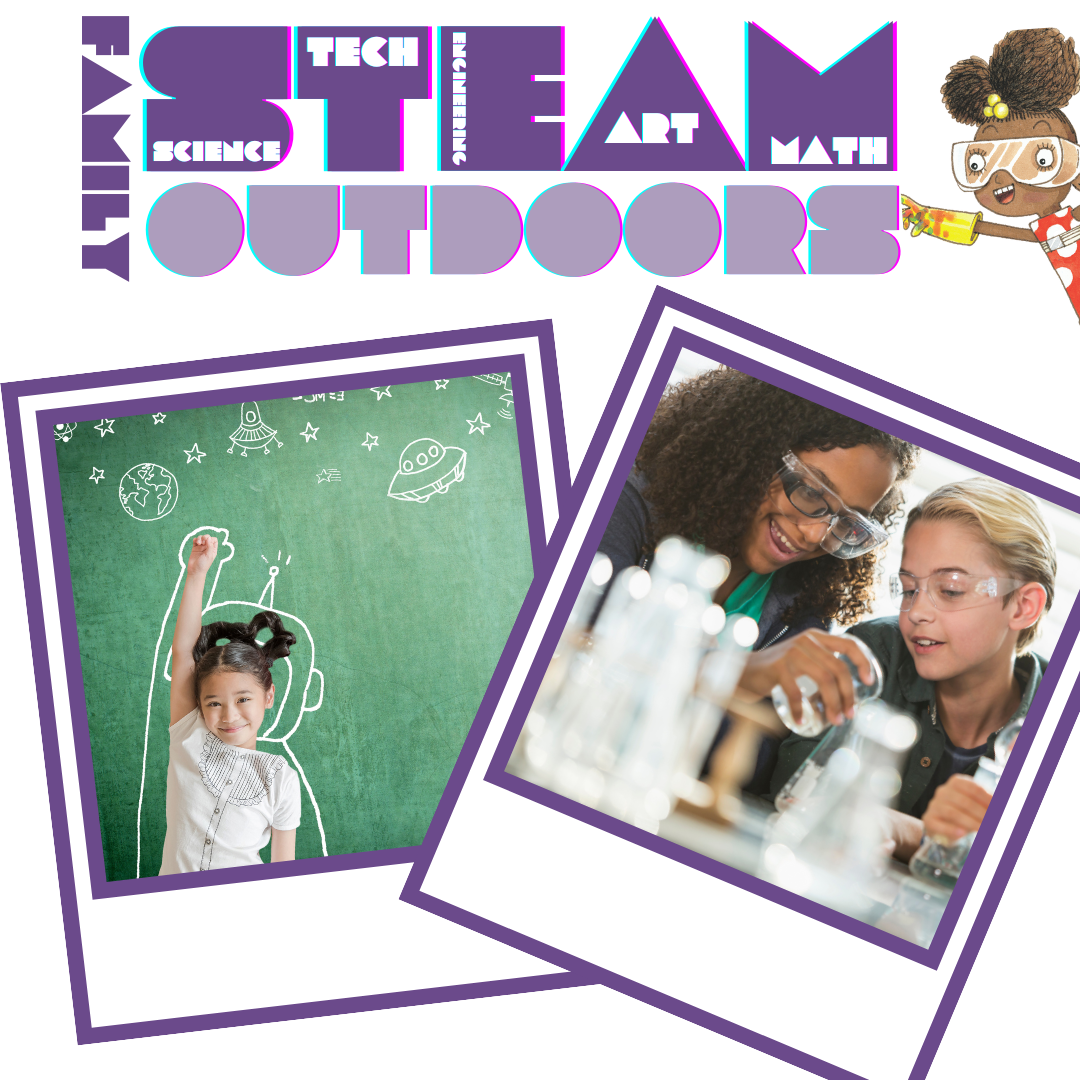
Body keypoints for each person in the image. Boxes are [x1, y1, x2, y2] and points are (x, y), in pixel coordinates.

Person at [597, 366, 920, 789]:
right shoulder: (624, 506)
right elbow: (569, 658)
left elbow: (746, 769)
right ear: (750, 449)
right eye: (808, 491)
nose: (814, 534)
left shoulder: (799, 609)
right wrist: (741, 674)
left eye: (847, 522)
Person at [770, 477, 1054, 860]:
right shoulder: (871, 654)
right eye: (908, 589)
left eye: (950, 590)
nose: (916, 612)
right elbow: (794, 791)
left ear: (1022, 607)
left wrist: (908, 832)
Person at [900, 28, 1080, 322]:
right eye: (979, 164)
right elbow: (992, 230)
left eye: (1040, 159)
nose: (1001, 177)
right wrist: (931, 219)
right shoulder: (1050, 228)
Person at [160, 534, 302, 873]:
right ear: (198, 703)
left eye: (243, 699)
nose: (229, 715)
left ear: (268, 696)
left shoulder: (280, 778)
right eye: (213, 703)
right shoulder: (188, 735)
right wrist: (196, 573)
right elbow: (183, 651)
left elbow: (285, 872)